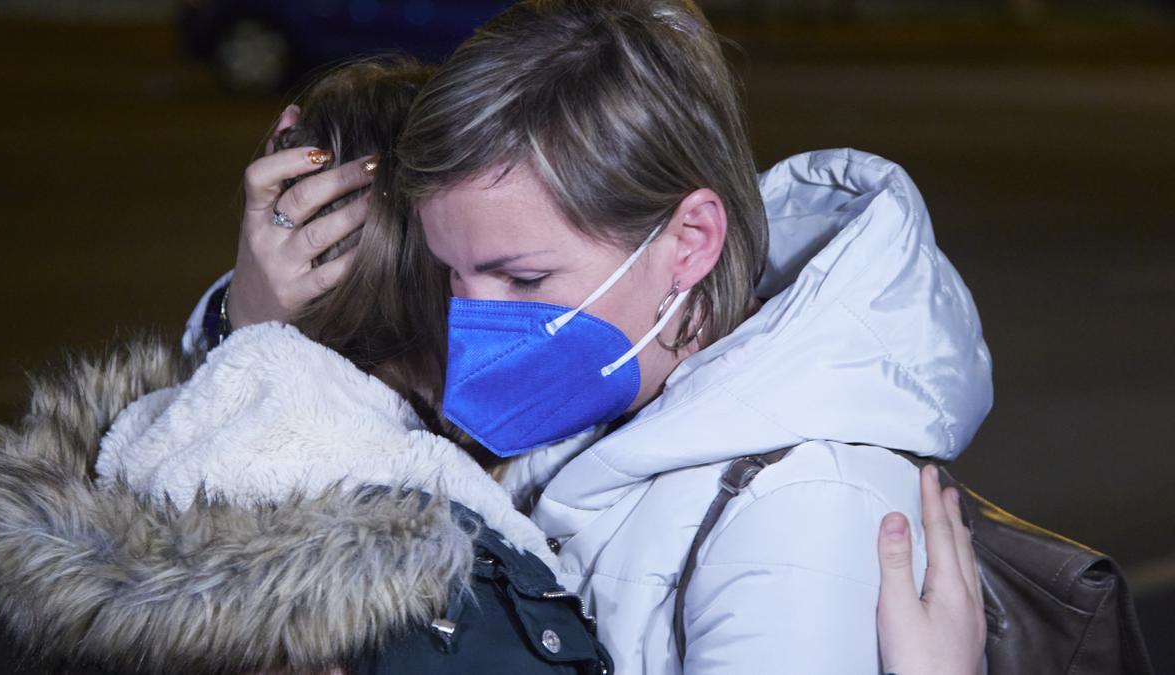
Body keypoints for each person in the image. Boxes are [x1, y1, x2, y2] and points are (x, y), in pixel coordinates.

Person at [389, 1, 994, 672]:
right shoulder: (608, 401)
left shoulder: (797, 510)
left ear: (690, 242)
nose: (472, 323)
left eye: (525, 279)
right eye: (453, 273)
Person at [0, 60, 611, 675]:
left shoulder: (95, 493)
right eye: (515, 270)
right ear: (441, 277)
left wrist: (243, 325)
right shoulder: (455, 577)